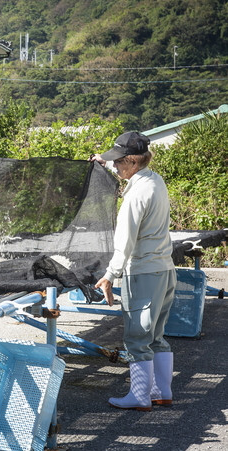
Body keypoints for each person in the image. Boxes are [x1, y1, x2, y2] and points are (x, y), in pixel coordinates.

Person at [90, 131, 176, 412]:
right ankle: (162, 392)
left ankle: (139, 397)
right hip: (164, 270)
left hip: (142, 273)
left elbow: (124, 242)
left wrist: (110, 275)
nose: (115, 166)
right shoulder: (155, 181)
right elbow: (130, 185)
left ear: (132, 162)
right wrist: (106, 166)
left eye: (118, 162)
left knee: (137, 338)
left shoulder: (135, 196)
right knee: (156, 337)